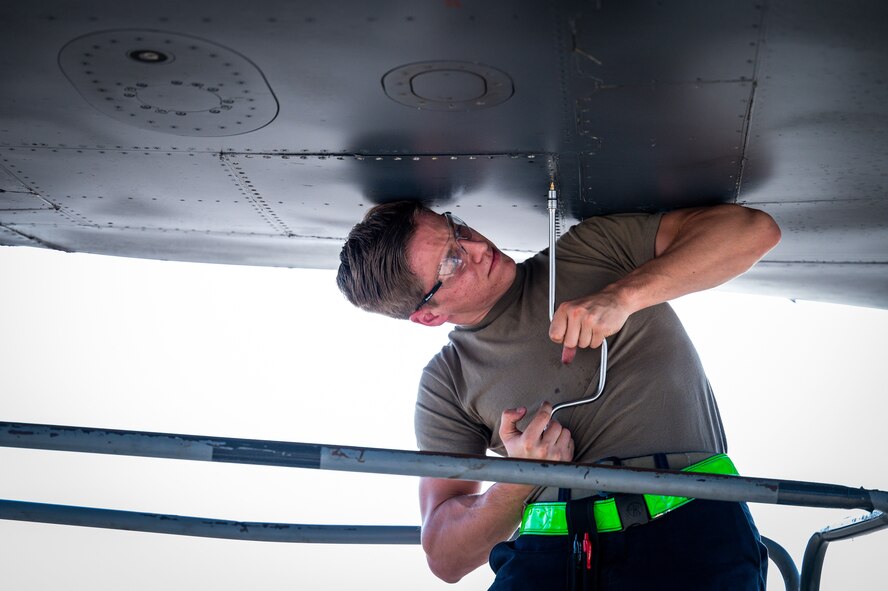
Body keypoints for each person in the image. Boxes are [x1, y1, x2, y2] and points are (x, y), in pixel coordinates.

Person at [337, 201, 781, 590]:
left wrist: (622, 297)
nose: (476, 247)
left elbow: (755, 231)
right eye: (452, 261)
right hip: (546, 560)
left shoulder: (593, 248)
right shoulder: (446, 382)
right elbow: (445, 556)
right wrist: (519, 479)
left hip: (689, 540)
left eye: (456, 229)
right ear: (428, 316)